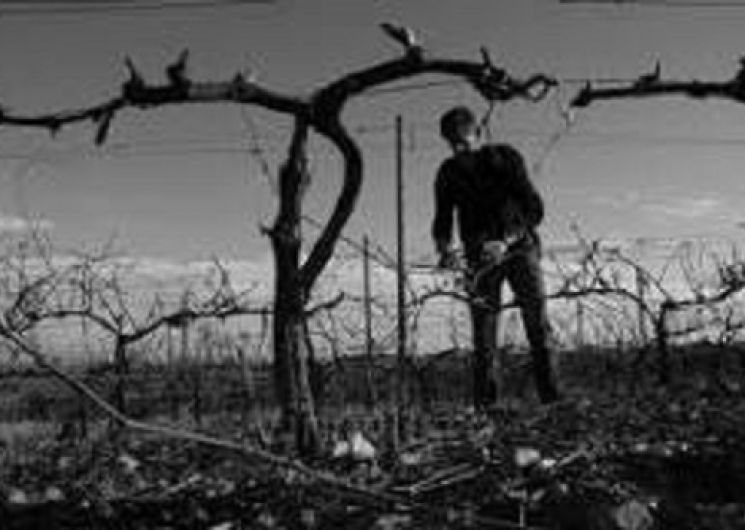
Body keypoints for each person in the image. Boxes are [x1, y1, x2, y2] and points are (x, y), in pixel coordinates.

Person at [432, 105, 559, 407]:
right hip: (479, 259)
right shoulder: (448, 172)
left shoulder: (505, 158)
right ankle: (487, 408)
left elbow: (534, 209)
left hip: (520, 250)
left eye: (463, 143)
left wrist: (505, 240)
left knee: (537, 324)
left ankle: (552, 402)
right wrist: (445, 248)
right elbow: (442, 218)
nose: (459, 151)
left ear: (477, 134)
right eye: (452, 144)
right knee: (484, 333)